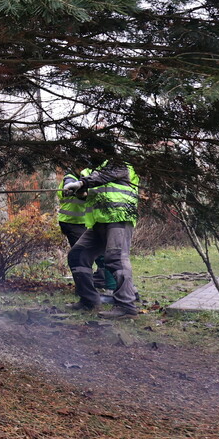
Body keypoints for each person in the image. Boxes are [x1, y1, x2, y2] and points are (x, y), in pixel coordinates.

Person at [63, 135, 142, 319]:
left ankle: (127, 307)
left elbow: (101, 177)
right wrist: (76, 189)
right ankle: (89, 300)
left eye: (95, 148)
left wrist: (82, 183)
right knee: (78, 255)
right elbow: (86, 193)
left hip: (118, 219)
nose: (92, 152)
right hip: (98, 222)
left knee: (116, 259)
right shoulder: (92, 170)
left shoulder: (119, 164)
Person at [57, 171, 117, 302]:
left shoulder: (91, 176)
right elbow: (70, 186)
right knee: (83, 256)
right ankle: (86, 292)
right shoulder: (71, 177)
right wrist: (77, 189)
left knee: (99, 256)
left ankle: (102, 284)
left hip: (87, 222)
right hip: (73, 223)